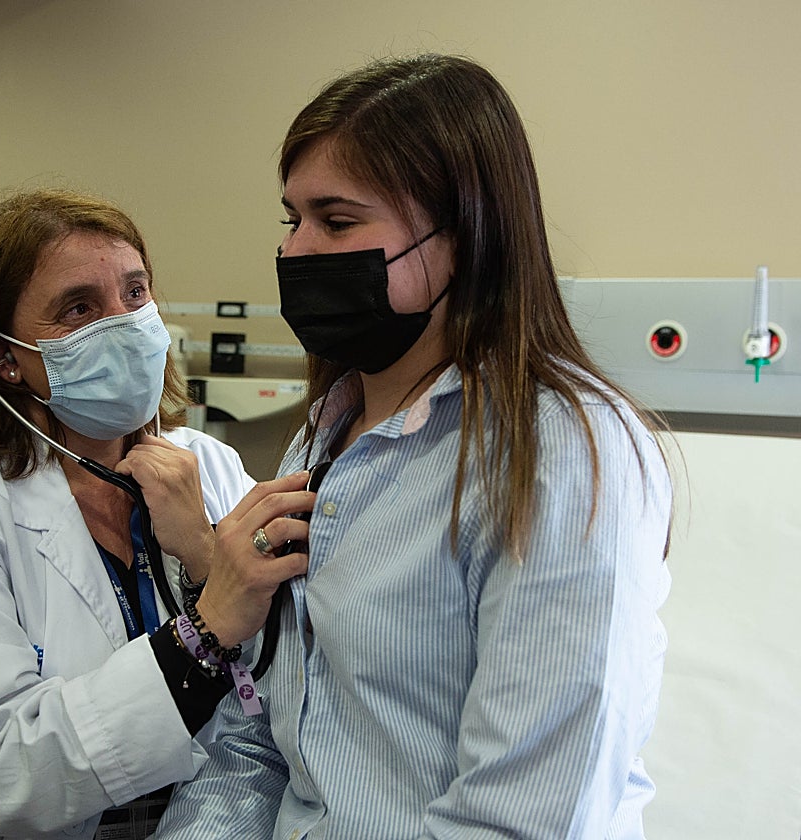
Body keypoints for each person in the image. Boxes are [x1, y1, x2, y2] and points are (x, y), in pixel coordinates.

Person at [154, 54, 673, 840]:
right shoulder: (320, 441)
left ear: (461, 238)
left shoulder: (557, 449)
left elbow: (527, 814)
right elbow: (258, 738)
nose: (295, 253)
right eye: (292, 219)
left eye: (337, 220)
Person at [0, 189, 315, 840]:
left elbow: (278, 692)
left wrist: (202, 554)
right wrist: (209, 621)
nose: (125, 324)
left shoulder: (211, 468)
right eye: (79, 308)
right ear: (7, 358)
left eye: (135, 294)